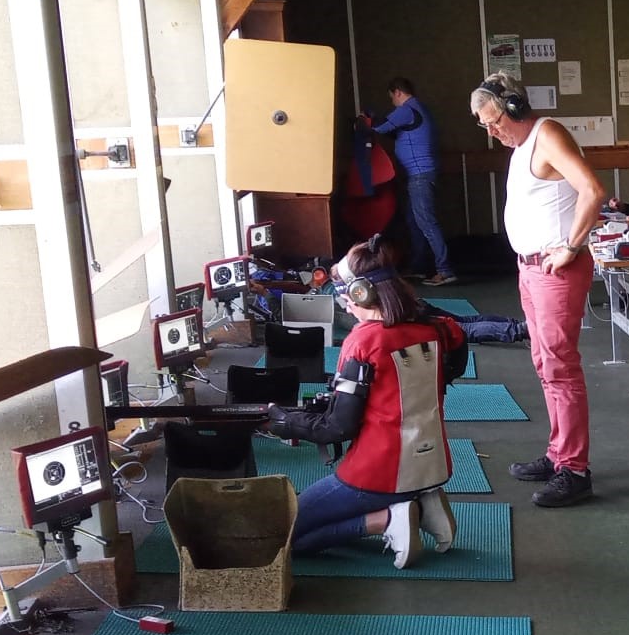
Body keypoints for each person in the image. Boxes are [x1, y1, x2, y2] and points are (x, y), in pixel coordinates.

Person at [260, 237, 465, 568]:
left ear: (360, 294)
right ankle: (419, 502)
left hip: (378, 474)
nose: (344, 303)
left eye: (344, 294)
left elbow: (337, 428)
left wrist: (284, 422)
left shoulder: (364, 341)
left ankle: (388, 519)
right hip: (432, 466)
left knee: (282, 538)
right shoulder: (439, 329)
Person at [472, 73, 606, 508]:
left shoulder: (547, 135)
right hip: (530, 268)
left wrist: (571, 246)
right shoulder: (521, 146)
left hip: (555, 271)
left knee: (560, 367)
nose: (491, 132)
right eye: (485, 125)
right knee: (546, 364)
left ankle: (575, 471)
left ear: (514, 108)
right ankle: (559, 453)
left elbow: (593, 190)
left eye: (494, 122)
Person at [364, 78, 453, 287]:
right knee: (414, 222)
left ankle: (445, 270)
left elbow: (381, 128)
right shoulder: (419, 109)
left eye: (392, 98)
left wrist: (367, 119)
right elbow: (396, 132)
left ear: (397, 92)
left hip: (420, 175)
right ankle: (419, 267)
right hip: (421, 174)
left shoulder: (408, 109)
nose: (393, 103)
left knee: (426, 223)